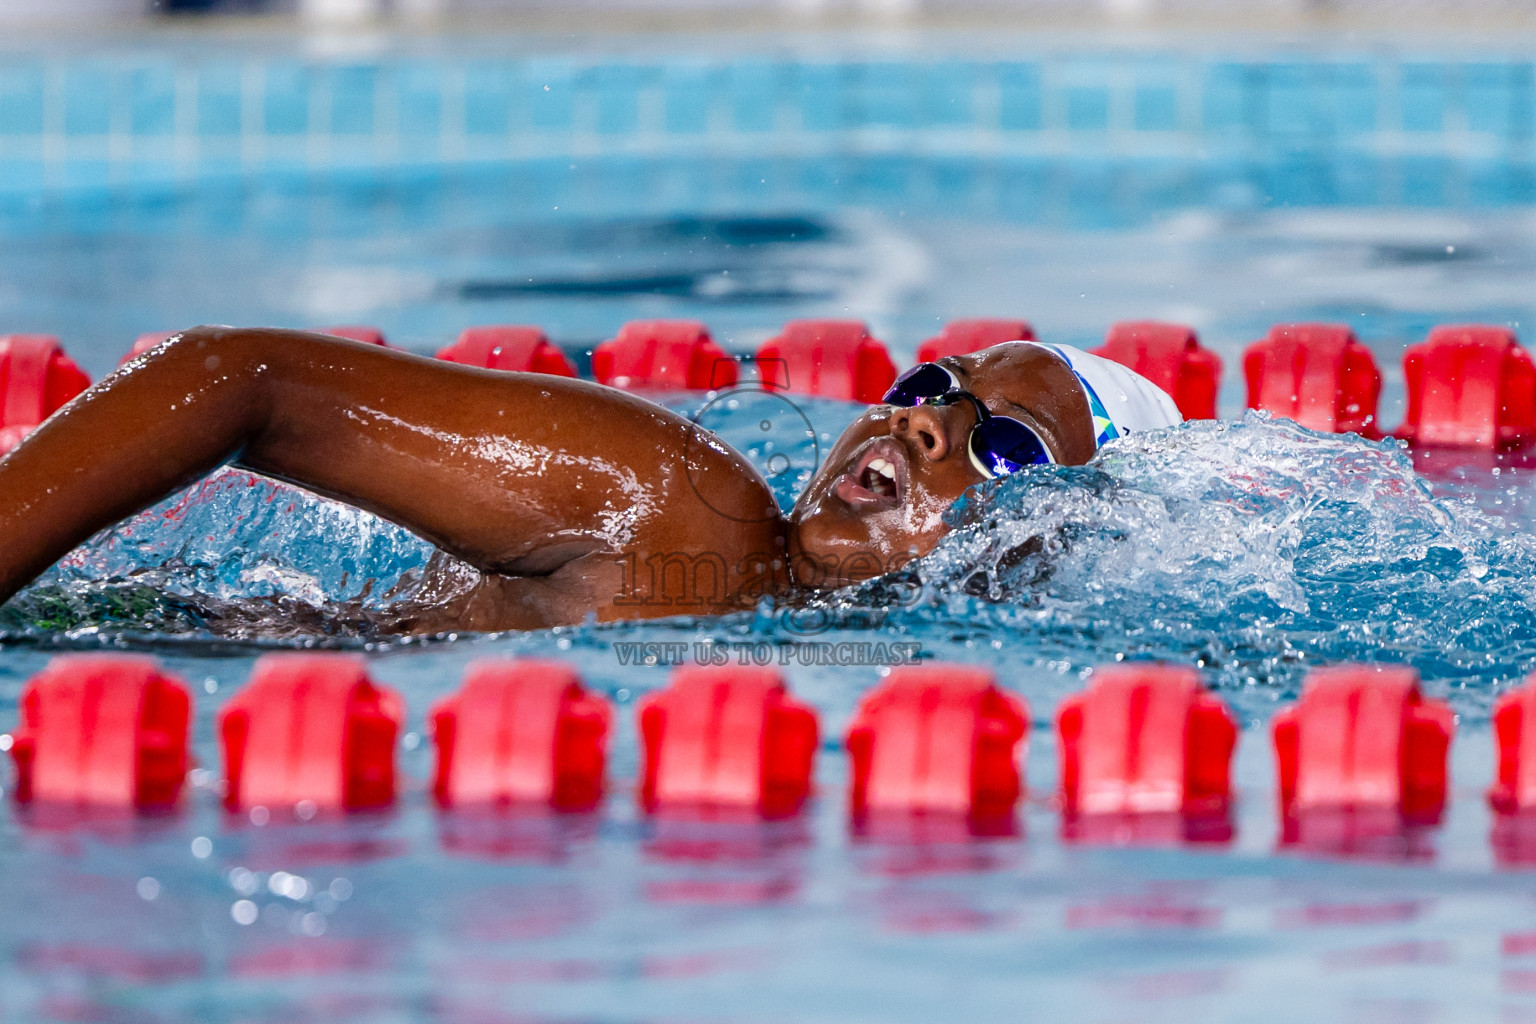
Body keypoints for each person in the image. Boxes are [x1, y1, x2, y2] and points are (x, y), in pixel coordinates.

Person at [0, 326, 1180, 633]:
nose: (926, 428)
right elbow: (236, 375)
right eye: (934, 387)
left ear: (1049, 546)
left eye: (1005, 444)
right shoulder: (681, 510)